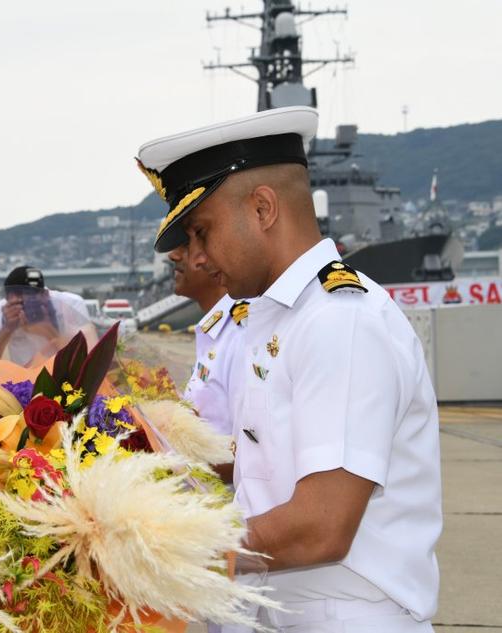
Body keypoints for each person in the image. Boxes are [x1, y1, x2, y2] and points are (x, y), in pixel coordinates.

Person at [137, 106, 441, 632]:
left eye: (203, 232)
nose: (200, 256)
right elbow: (269, 469)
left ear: (262, 209)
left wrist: (169, 551)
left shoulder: (339, 321)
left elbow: (319, 528)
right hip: (285, 612)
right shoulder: (279, 318)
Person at [169, 248, 247, 485]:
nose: (173, 256)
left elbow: (254, 458)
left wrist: (159, 463)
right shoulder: (217, 331)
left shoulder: (242, 335)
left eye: (187, 243)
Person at [0, 265, 94, 367]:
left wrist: (47, 330)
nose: (25, 308)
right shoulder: (1, 310)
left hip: (65, 377)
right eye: (18, 304)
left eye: (31, 301)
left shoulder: (70, 304)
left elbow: (86, 361)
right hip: (25, 382)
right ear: (7, 299)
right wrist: (7, 328)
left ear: (45, 295)